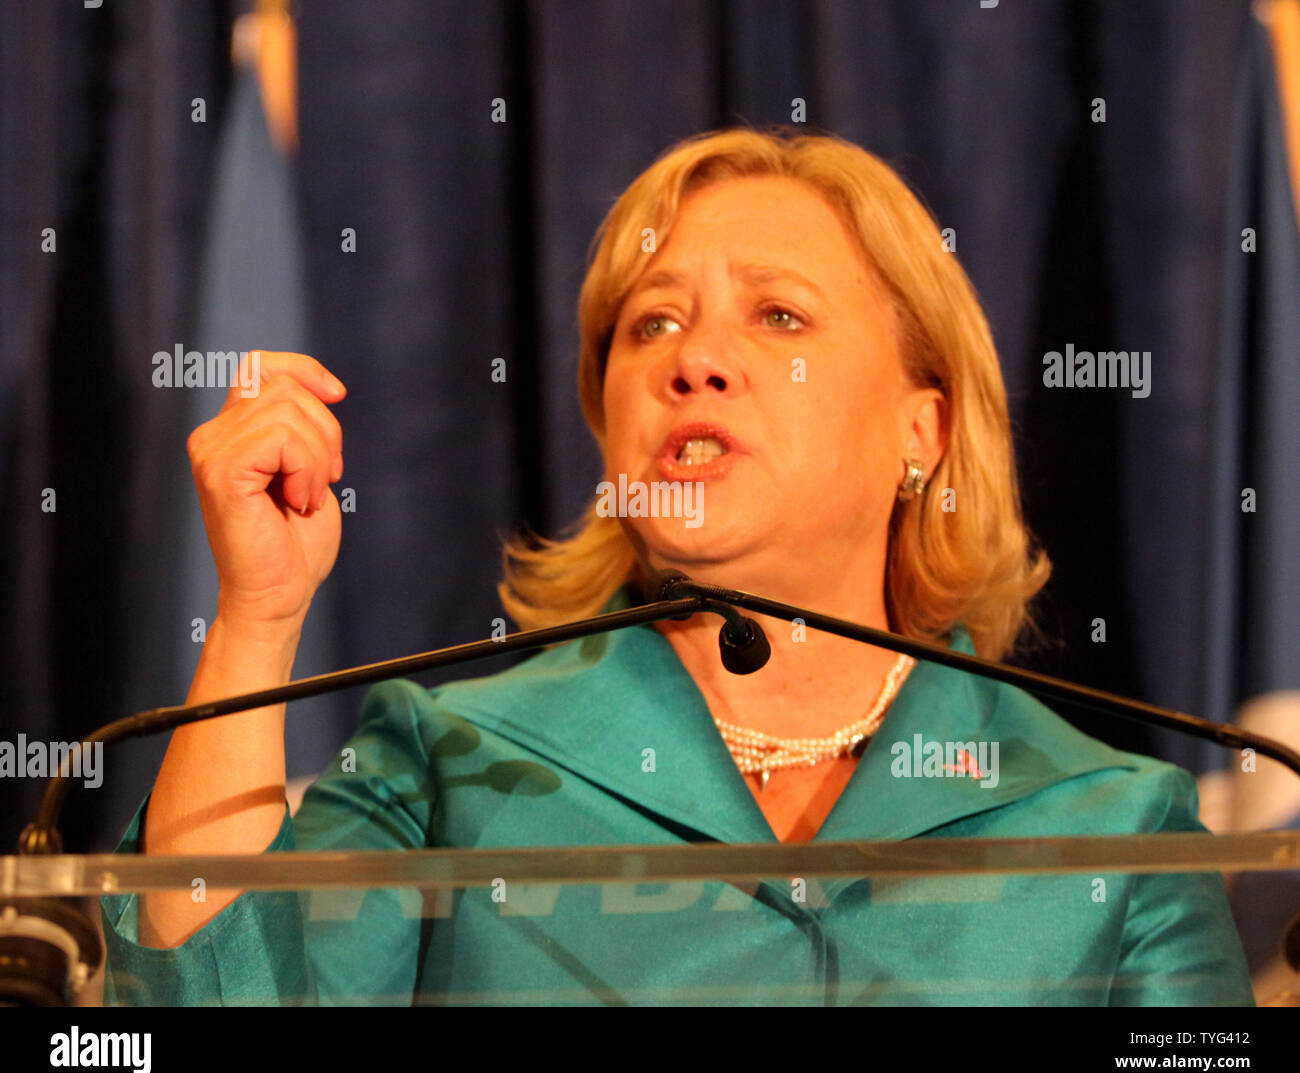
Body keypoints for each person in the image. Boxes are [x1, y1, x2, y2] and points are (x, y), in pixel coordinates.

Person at [100, 127, 1255, 1006]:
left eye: (778, 318)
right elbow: (211, 1003)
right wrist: (257, 613)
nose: (695, 358)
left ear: (925, 428)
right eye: (651, 324)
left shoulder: (1115, 828)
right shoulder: (455, 766)